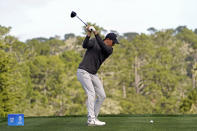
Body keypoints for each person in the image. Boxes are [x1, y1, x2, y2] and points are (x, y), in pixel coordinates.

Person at [77, 25, 119, 126]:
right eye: (113, 42)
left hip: (93, 74)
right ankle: (91, 119)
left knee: (102, 96)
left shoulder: (109, 49)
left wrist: (96, 33)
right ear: (108, 39)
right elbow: (84, 45)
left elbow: (102, 45)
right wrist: (88, 34)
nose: (114, 44)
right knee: (91, 93)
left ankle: (94, 117)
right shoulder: (94, 41)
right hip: (83, 71)